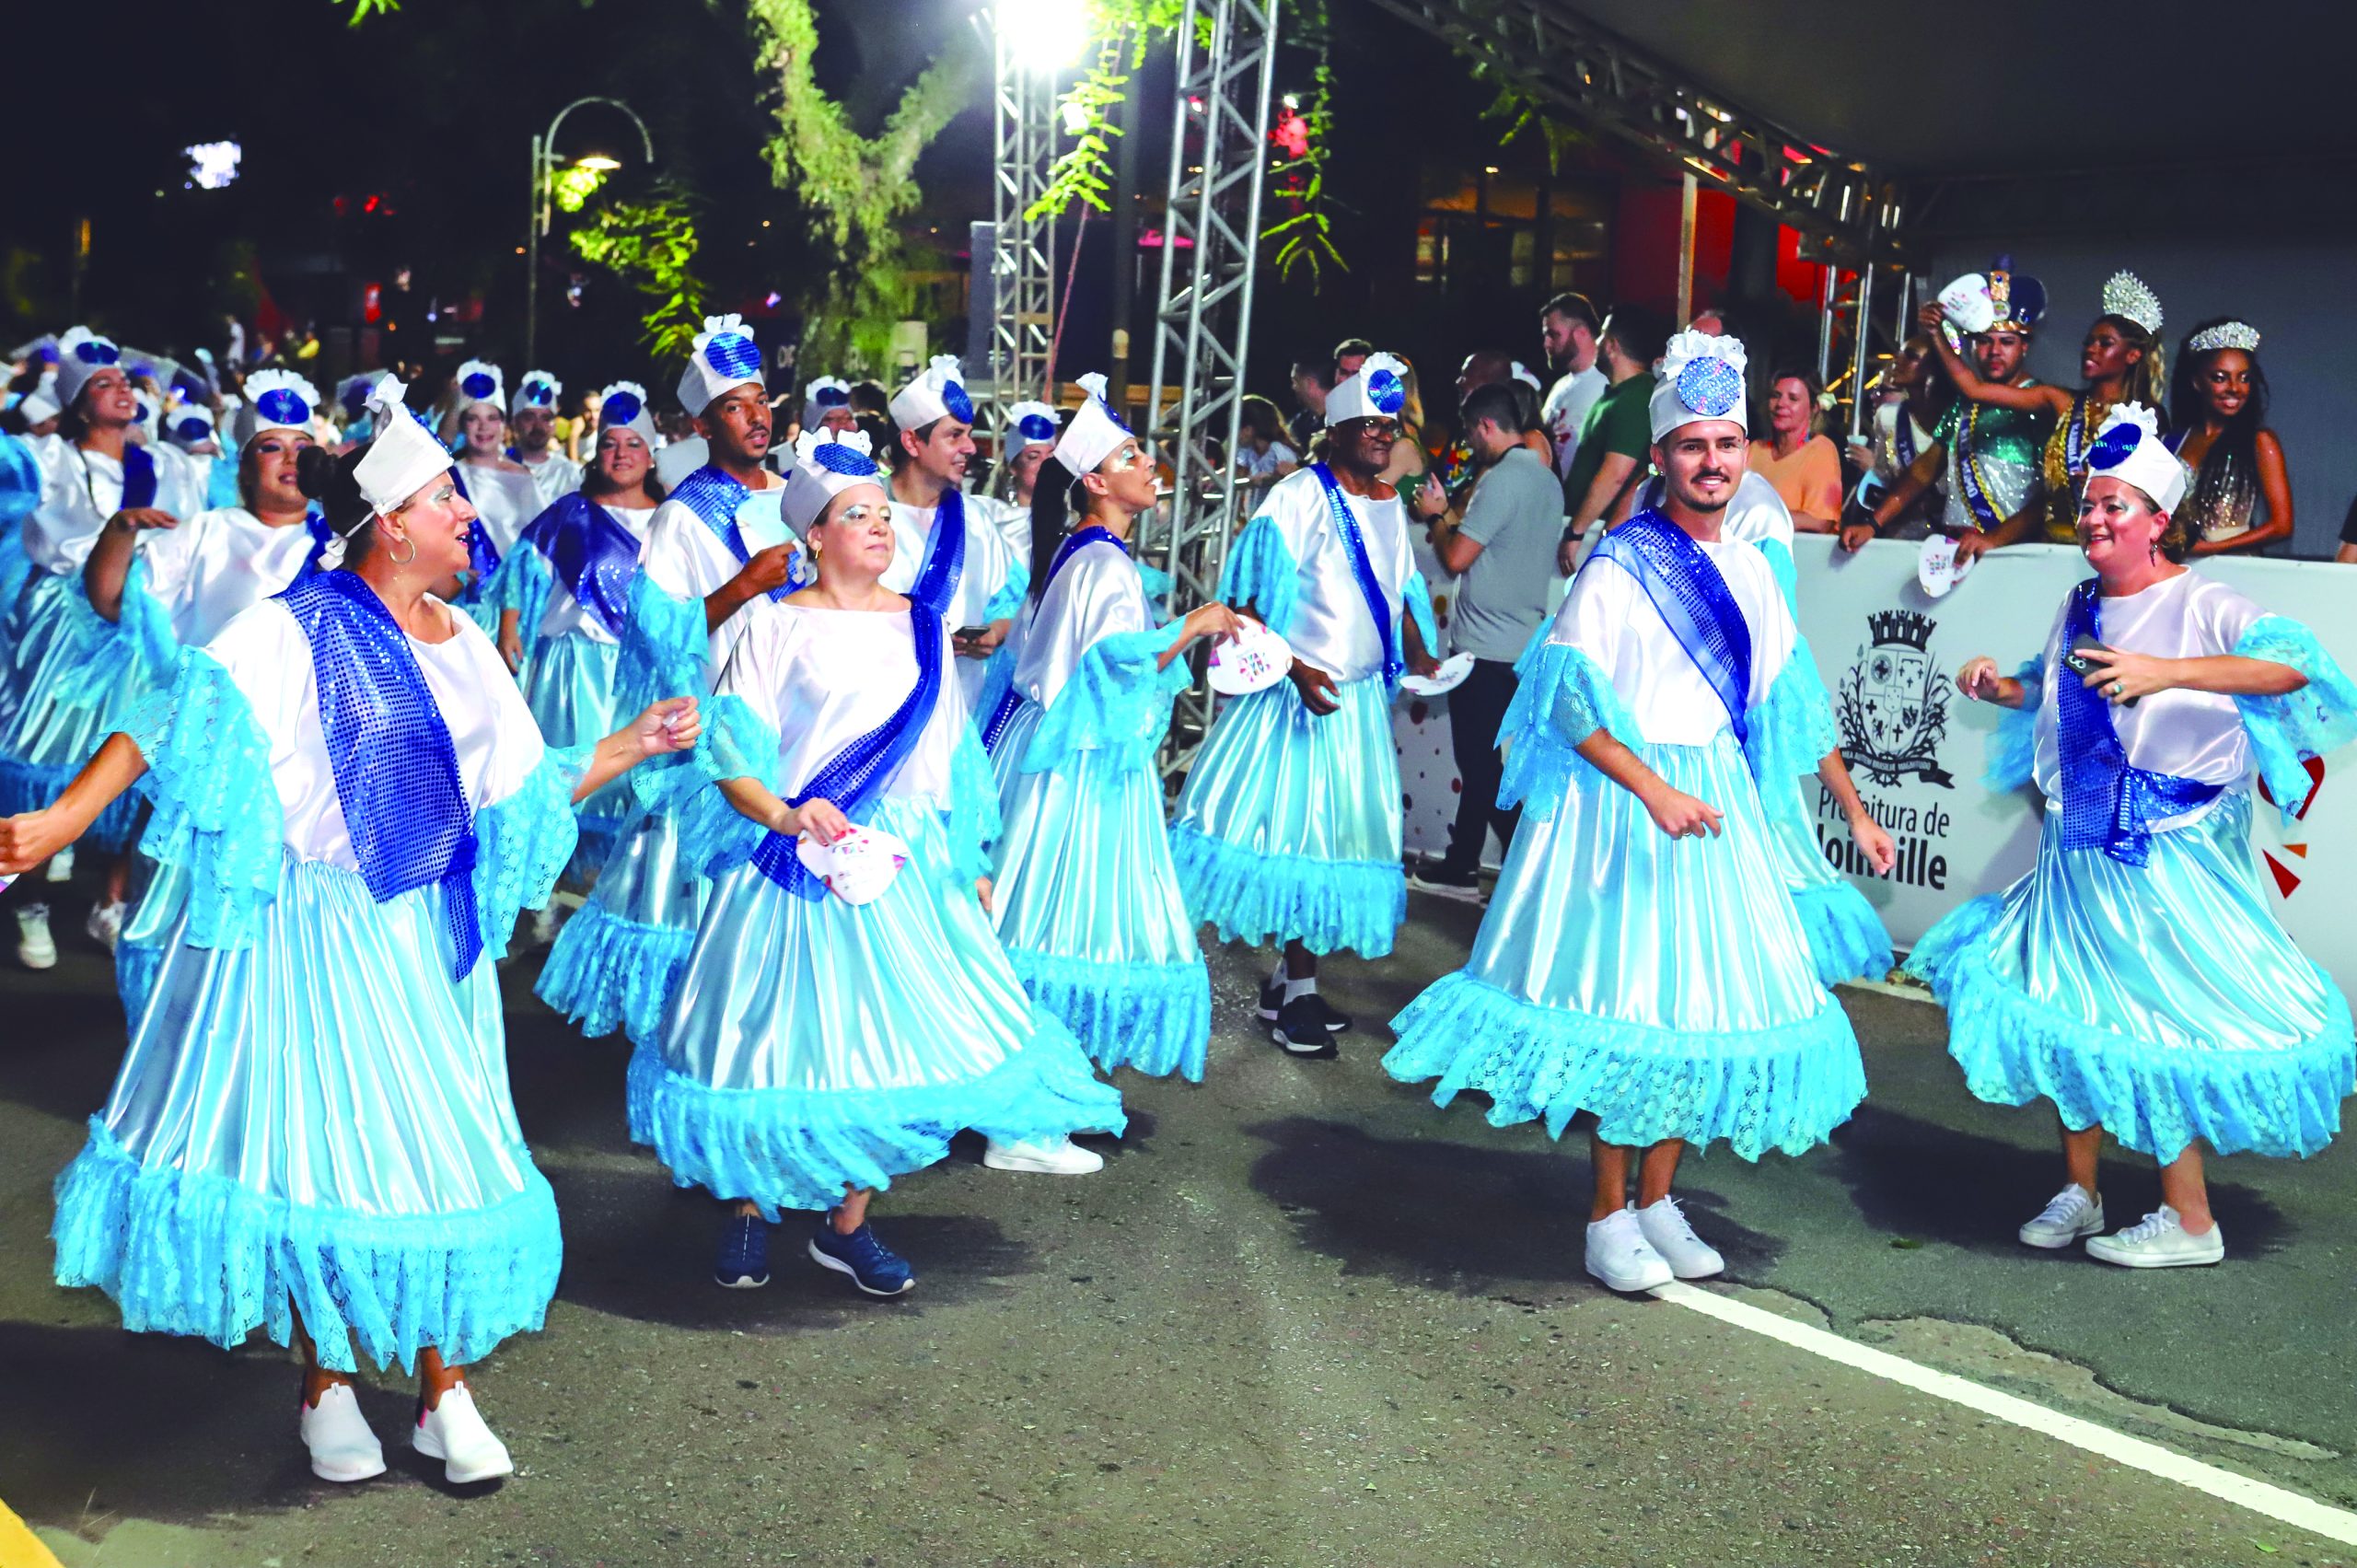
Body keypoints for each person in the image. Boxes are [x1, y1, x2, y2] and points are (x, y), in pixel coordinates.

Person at [0, 386, 699, 1482]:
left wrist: (631, 743)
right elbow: (173, 713)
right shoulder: (294, 622)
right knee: (339, 1158)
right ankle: (329, 1381)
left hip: (432, 939)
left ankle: (438, 1387)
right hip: (320, 938)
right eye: (446, 501)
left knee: (435, 1154)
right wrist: (65, 819)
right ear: (389, 524)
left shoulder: (465, 639)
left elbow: (520, 786)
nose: (468, 517)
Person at [1385, 331, 1889, 1295]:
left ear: (1744, 457)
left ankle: (1659, 1197)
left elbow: (1794, 703)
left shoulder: (1748, 570)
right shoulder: (1619, 564)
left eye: (1727, 446)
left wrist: (1854, 811)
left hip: (1714, 809)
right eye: (1693, 446)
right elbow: (1566, 698)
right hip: (1627, 810)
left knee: (1695, 1007)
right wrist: (1650, 787)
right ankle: (1607, 1214)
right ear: (1660, 457)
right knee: (1628, 1005)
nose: (1712, 463)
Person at [640, 424, 1124, 1295]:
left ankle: (848, 1223)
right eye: (854, 514)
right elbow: (731, 759)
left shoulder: (924, 628)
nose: (878, 525)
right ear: (813, 536)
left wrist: (965, 863)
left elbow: (948, 765)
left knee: (890, 1043)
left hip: (892, 864)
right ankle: (750, 1209)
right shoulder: (772, 625)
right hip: (790, 862)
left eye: (881, 513)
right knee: (768, 1040)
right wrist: (786, 816)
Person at [1912, 402, 2357, 1268]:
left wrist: (2167, 673)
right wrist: (1999, 686)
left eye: (2116, 505)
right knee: (2079, 1007)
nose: (2096, 519)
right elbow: (2056, 686)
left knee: (2156, 1017)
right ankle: (2081, 1193)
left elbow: (2297, 666)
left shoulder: (2205, 599)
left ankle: (2191, 1220)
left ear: (2159, 520)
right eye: (2089, 505)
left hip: (2167, 848)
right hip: (2080, 842)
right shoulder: (2080, 601)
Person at [539, 317, 803, 1047]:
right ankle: (704, 1024)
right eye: (734, 406)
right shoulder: (684, 516)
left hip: (806, 713)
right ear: (702, 422)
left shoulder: (800, 495)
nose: (755, 416)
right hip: (726, 725)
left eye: (761, 401)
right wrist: (747, 584)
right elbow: (657, 637)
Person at [1168, 352, 1441, 1055]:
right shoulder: (1298, 495)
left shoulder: (1389, 504)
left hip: (1356, 709)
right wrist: (1292, 667)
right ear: (1337, 428)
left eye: (1390, 422)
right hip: (1299, 703)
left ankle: (1289, 989)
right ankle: (1299, 992)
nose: (1384, 434)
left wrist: (1422, 656)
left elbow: (1399, 593)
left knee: (1336, 844)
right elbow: (1250, 600)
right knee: (1301, 844)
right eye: (1369, 423)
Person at [980, 376, 1241, 1083]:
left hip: (1048, 749)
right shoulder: (1101, 559)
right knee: (1068, 918)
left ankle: (1034, 1075)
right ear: (1094, 481)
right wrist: (1197, 622)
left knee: (1038, 912)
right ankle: (1031, 1086)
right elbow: (1118, 663)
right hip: (1076, 766)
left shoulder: (1080, 551)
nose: (1151, 463)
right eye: (1131, 457)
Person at [81, 371, 331, 1004]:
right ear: (245, 464)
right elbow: (113, 602)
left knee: (286, 916)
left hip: (310, 757)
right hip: (213, 751)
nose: (291, 459)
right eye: (273, 446)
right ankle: (187, 1031)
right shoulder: (205, 533)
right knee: (191, 907)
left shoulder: (338, 544)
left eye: (303, 445)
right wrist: (120, 531)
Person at [0, 327, 204, 969]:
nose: (122, 388)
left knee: (155, 760)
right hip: (66, 624)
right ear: (78, 405)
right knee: (47, 758)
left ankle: (112, 896)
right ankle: (29, 900)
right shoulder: (51, 459)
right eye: (103, 383)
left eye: (126, 381)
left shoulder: (166, 465)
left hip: (147, 623)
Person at [486, 381, 668, 891]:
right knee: (576, 768)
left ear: (651, 455)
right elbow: (525, 564)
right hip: (574, 666)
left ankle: (614, 885)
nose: (621, 454)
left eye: (634, 444)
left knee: (631, 776)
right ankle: (548, 891)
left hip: (640, 671)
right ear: (596, 452)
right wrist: (508, 626)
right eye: (611, 444)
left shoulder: (671, 518)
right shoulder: (572, 511)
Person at [1411, 379, 1561, 902]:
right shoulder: (1547, 482)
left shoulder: (1500, 482)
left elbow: (1455, 559)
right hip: (1521, 645)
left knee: (1480, 766)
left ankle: (1526, 873)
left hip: (1483, 647)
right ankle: (1463, 866)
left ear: (1487, 426)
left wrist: (1435, 514)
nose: (1468, 445)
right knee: (1484, 765)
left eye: (1472, 434)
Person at [1917, 270, 2166, 561]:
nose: (2091, 350)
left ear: (2133, 355)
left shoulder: (2147, 416)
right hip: (2051, 548)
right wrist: (1937, 335)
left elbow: (2156, 494)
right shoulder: (2060, 401)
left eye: (2104, 343)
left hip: (2110, 552)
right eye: (2088, 342)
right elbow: (1973, 389)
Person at [883, 355, 1028, 710]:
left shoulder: (976, 520)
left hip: (963, 709)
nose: (970, 448)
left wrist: (995, 633)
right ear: (912, 442)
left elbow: (1012, 605)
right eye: (954, 436)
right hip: (880, 712)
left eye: (969, 434)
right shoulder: (865, 511)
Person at [1554, 304, 1670, 572]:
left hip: (1596, 534)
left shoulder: (1636, 396)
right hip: (1588, 530)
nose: (1595, 342)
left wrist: (1576, 532)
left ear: (1611, 345)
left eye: (1601, 335)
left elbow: (1616, 472)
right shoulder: (1617, 395)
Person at [2166, 320, 2292, 556]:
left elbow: (2282, 525)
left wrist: (2208, 549)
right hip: (2180, 567)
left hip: (2234, 565)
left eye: (2244, 378)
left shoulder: (2260, 441)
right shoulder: (2175, 439)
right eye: (2220, 378)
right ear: (2196, 382)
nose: (2235, 388)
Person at [1842, 333, 1950, 540]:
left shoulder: (1959, 417)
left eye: (1910, 356)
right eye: (1898, 354)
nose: (1897, 361)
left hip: (1947, 536)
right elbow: (1883, 476)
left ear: (1936, 366)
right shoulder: (1887, 417)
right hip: (1900, 534)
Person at [448, 360, 541, 562]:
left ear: (503, 424)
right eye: (473, 418)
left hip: (513, 587)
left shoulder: (522, 477)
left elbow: (540, 539)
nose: (483, 427)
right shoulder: (450, 477)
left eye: (491, 418)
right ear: (463, 425)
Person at [1748, 366, 1842, 532]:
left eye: (1793, 398)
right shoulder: (1755, 450)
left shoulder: (1821, 450)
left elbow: (1820, 521)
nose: (1781, 404)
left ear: (1814, 408)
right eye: (1776, 396)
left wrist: (1755, 519)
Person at [1538, 291, 1607, 484]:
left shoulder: (1606, 385)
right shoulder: (1560, 386)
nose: (1546, 343)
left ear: (1581, 333)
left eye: (1553, 334)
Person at [510, 369, 584, 508]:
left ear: (554, 425)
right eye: (529, 417)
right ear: (515, 422)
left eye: (546, 418)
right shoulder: (499, 467)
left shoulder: (570, 474)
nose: (538, 426)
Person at [1286, 358, 1330, 456]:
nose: (1293, 387)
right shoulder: (1299, 423)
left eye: (1295, 381)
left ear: (1310, 383)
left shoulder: (1342, 423)